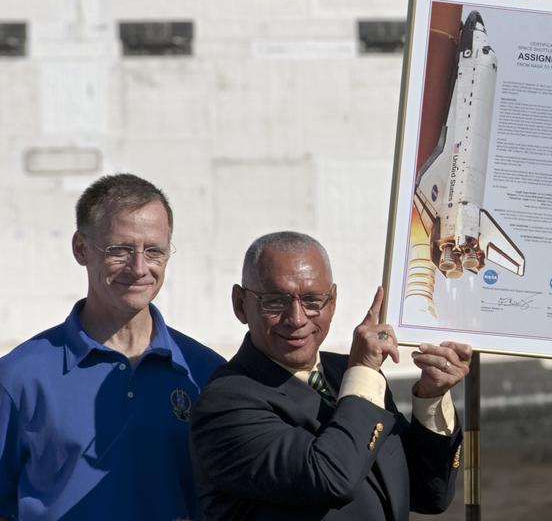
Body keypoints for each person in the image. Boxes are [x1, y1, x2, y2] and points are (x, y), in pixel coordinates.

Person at [189, 231, 465, 520]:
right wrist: (364, 372)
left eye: (312, 301)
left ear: (332, 302)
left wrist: (431, 397)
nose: (296, 319)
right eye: (275, 301)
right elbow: (330, 478)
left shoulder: (347, 374)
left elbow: (428, 494)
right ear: (240, 304)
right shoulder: (226, 403)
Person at [0, 173, 224, 521]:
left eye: (154, 251)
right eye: (119, 250)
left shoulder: (206, 373)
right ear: (80, 248)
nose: (139, 268)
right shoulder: (18, 378)